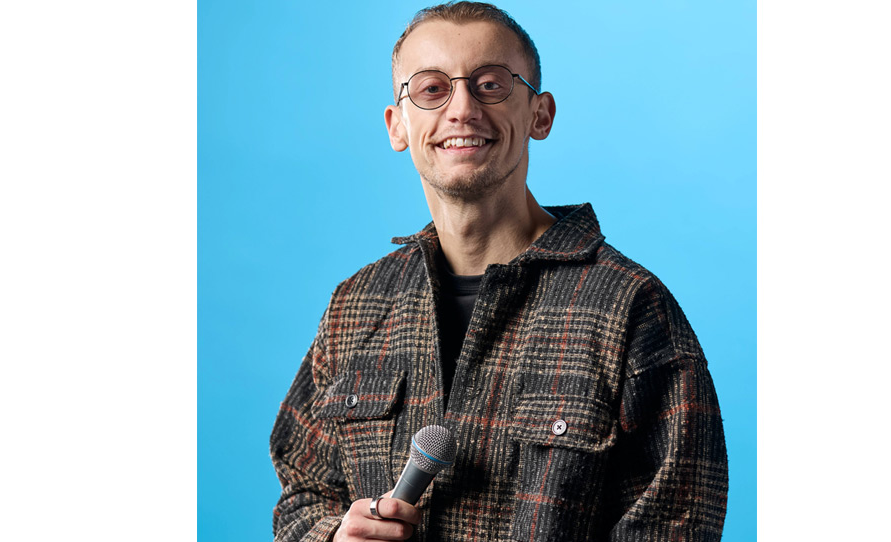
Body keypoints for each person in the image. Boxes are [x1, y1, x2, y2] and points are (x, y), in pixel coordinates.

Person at [269, 2, 728, 541]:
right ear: (398, 126)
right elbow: (301, 495)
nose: (462, 109)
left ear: (540, 115)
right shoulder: (356, 305)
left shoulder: (628, 307)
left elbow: (675, 525)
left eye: (490, 85)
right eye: (432, 89)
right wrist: (332, 535)